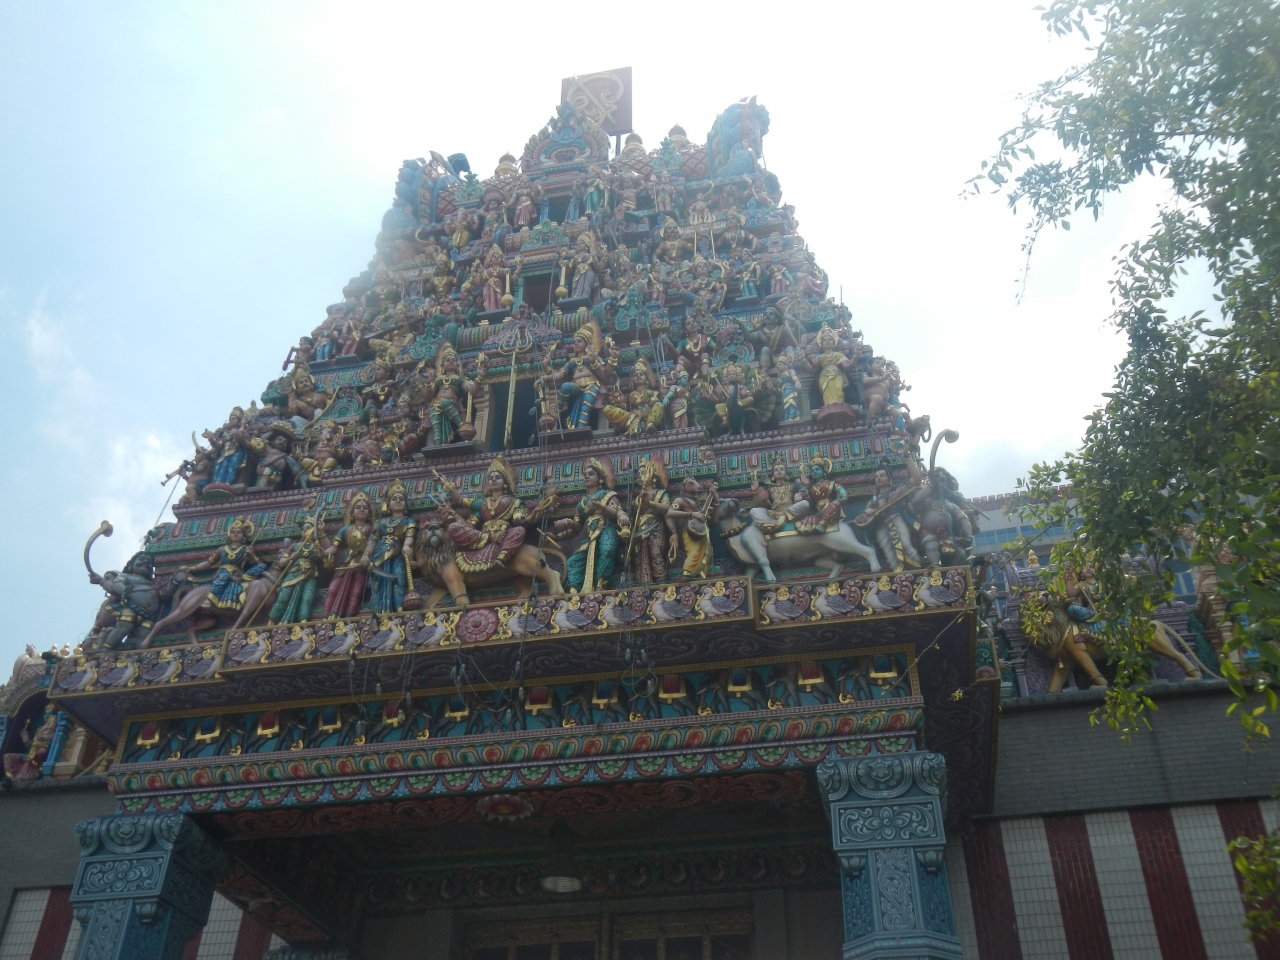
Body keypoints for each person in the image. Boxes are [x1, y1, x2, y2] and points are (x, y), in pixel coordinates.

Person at [557, 459, 630, 593]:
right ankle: (574, 591)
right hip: (589, 535)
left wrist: (601, 507)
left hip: (606, 529)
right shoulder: (582, 503)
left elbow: (618, 512)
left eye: (591, 474)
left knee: (607, 549)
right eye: (585, 474)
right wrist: (566, 525)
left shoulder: (607, 495)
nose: (587, 476)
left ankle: (601, 584)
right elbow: (577, 527)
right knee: (573, 561)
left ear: (600, 478)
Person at [365, 480, 416, 614]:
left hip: (397, 554)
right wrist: (366, 554)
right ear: (388, 504)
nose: (398, 501)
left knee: (399, 580)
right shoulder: (381, 522)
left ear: (406, 504)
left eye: (401, 499)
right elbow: (373, 539)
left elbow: (410, 537)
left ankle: (398, 609)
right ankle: (378, 611)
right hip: (378, 554)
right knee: (378, 582)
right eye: (394, 499)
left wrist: (407, 546)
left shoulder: (408, 521)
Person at [322, 492, 374, 618]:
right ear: (352, 512)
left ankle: (349, 618)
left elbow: (373, 544)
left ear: (369, 513)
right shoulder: (345, 530)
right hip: (344, 563)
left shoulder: (372, 529)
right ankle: (327, 617)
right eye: (358, 507)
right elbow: (335, 547)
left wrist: (365, 556)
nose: (361, 510)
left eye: (365, 508)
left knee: (356, 592)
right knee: (333, 589)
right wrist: (324, 553)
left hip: (361, 564)